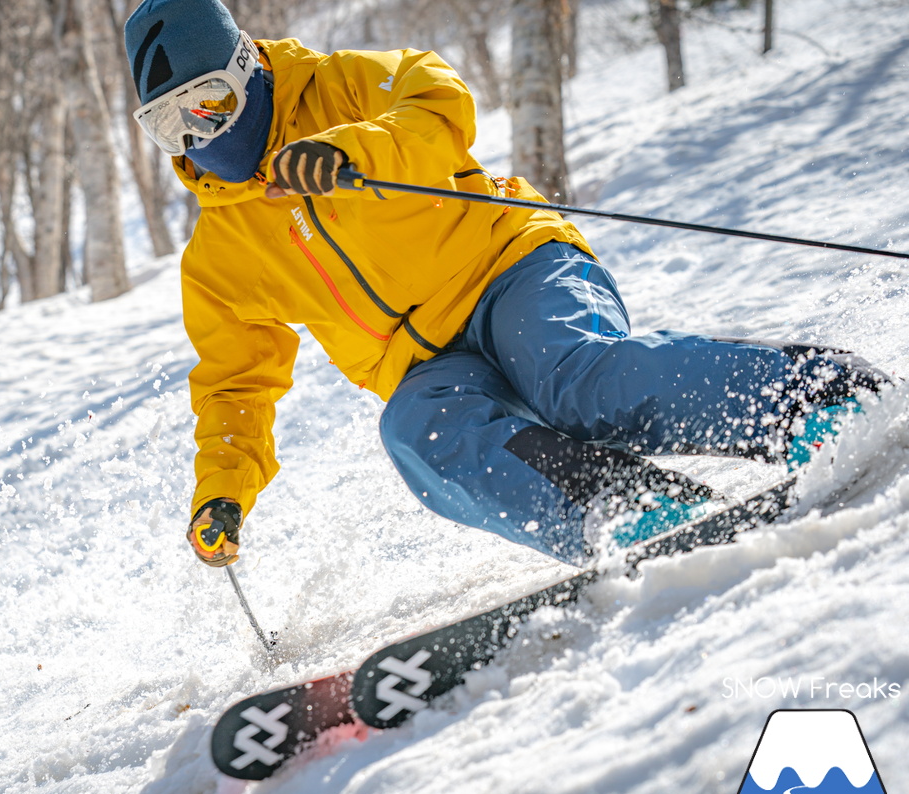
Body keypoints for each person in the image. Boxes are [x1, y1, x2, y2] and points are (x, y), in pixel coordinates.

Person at [122, 0, 887, 568]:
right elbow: (233, 384)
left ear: (250, 66)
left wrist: (356, 150)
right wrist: (221, 489)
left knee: (572, 377)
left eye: (212, 104)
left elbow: (436, 96)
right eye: (172, 127)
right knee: (416, 433)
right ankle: (624, 509)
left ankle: (810, 394)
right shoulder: (220, 254)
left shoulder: (338, 87)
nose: (203, 137)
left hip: (507, 266)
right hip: (427, 365)